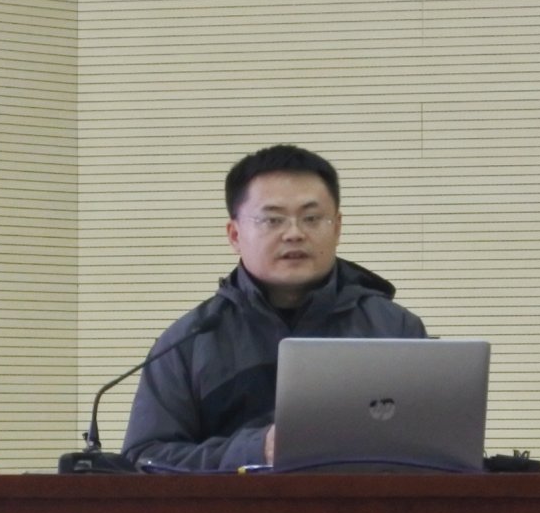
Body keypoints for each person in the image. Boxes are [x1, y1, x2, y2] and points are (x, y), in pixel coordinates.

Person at [120, 144, 427, 471]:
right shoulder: (189, 342)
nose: (294, 234)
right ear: (235, 234)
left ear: (337, 227)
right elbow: (143, 459)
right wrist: (256, 450)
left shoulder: (393, 329)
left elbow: (435, 450)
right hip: (234, 507)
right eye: (272, 220)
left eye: (311, 218)